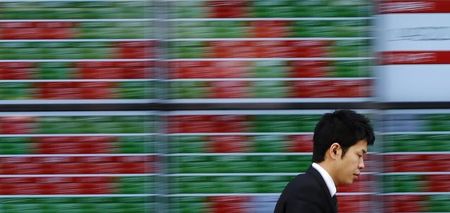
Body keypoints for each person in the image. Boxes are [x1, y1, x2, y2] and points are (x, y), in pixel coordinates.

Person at [274, 109, 375, 213]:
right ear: (335, 151)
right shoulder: (308, 192)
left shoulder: (319, 191)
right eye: (359, 155)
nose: (362, 165)